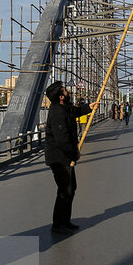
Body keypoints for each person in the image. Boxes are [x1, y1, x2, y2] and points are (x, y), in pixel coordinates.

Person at [44, 81, 96, 235]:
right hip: (59, 158)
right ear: (61, 97)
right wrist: (74, 153)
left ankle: (65, 221)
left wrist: (88, 108)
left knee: (70, 189)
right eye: (65, 90)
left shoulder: (63, 108)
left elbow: (74, 111)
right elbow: (62, 140)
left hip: (64, 157)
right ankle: (57, 224)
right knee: (64, 190)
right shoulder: (58, 113)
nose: (68, 91)